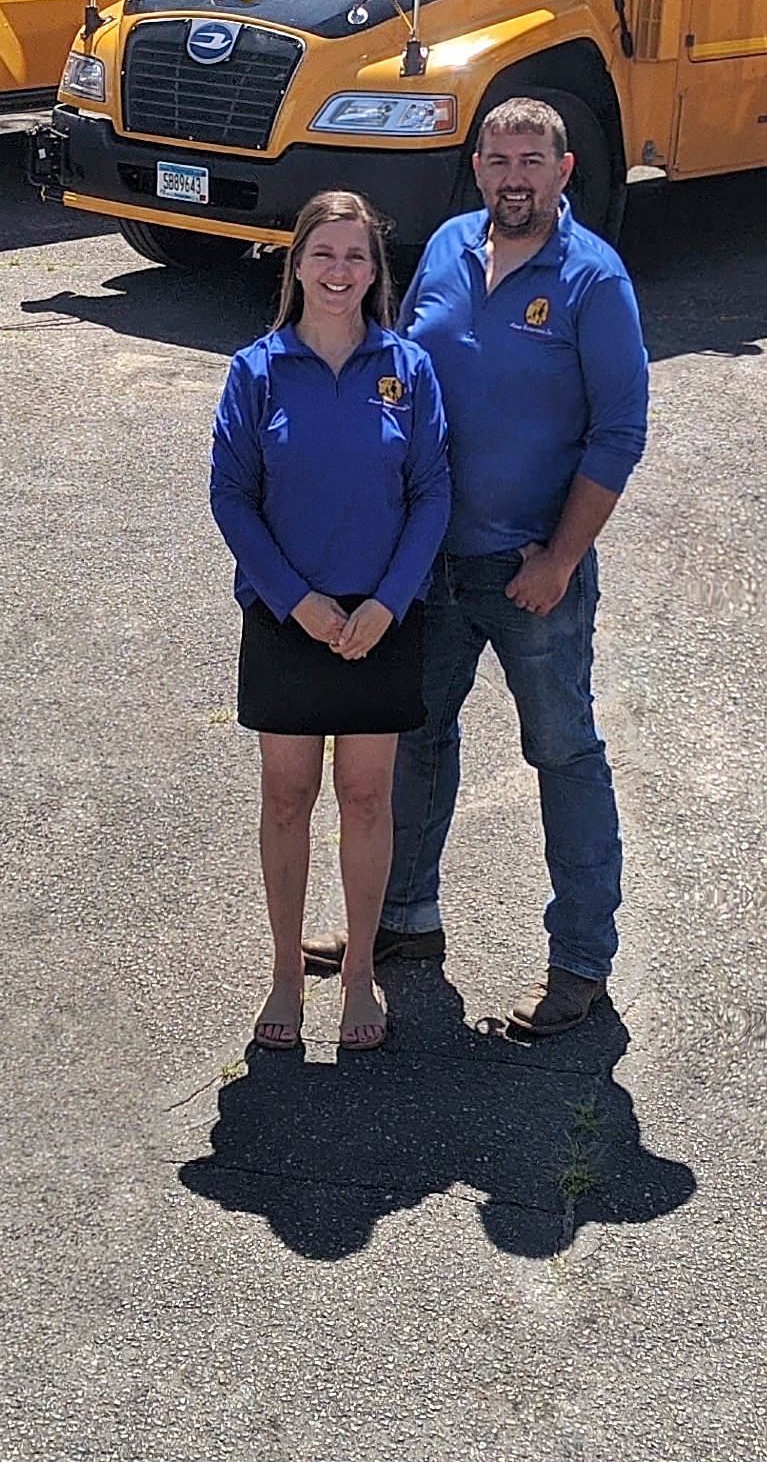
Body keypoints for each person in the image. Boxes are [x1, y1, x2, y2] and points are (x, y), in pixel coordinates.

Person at [312, 97, 649, 1040]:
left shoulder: (594, 278)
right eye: (498, 160)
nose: (513, 177)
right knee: (415, 740)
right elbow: (400, 379)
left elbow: (620, 433)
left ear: (564, 170)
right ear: (479, 168)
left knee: (564, 755)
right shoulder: (450, 247)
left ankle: (581, 962)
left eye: (532, 160)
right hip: (427, 570)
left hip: (530, 574)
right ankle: (405, 921)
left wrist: (561, 557)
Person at [210, 191, 452, 1054]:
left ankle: (358, 977)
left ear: (376, 271)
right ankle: (285, 968)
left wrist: (386, 602)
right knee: (287, 797)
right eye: (325, 255)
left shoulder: (408, 369)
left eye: (357, 257)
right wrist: (299, 603)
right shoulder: (257, 370)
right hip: (289, 615)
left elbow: (431, 492)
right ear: (298, 264)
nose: (340, 272)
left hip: (382, 620)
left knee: (365, 795)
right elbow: (232, 498)